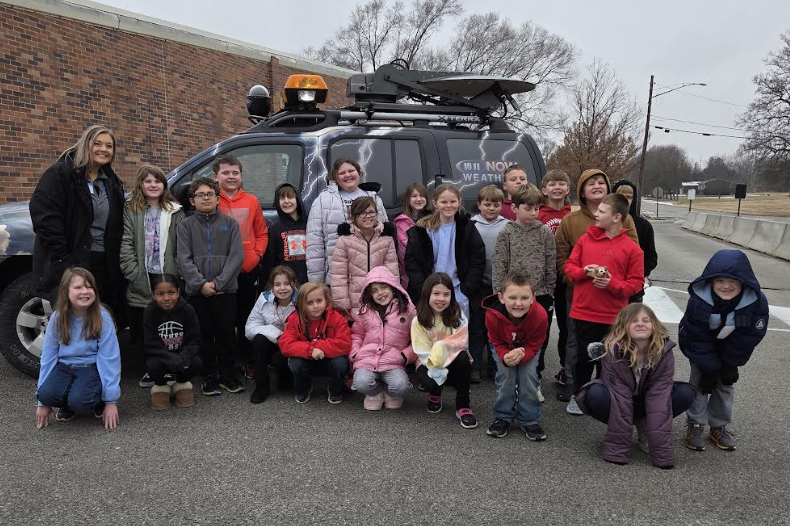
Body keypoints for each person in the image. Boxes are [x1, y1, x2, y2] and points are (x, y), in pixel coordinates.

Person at [555, 168, 640, 409]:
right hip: (583, 310)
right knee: (582, 357)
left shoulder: (631, 248)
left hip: (614, 314)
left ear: (616, 217)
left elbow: (635, 282)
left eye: (602, 211)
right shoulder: (584, 239)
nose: (596, 214)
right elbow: (569, 266)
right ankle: (580, 395)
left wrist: (612, 283)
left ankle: (605, 396)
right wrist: (583, 272)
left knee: (610, 358)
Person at [576, 304, 696, 469]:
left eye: (646, 320)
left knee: (685, 392)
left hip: (648, 402)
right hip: (620, 401)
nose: (640, 323)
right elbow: (620, 395)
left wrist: (662, 455)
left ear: (654, 325)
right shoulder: (612, 350)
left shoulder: (664, 351)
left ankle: (645, 426)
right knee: (595, 393)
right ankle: (623, 433)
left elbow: (659, 395)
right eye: (634, 321)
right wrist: (617, 450)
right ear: (623, 326)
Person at [30, 125, 126, 321]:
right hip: (70, 262)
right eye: (97, 143)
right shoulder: (61, 174)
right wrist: (66, 264)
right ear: (85, 144)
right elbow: (45, 218)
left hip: (103, 264)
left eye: (109, 146)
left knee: (99, 320)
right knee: (73, 323)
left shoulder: (111, 182)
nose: (104, 149)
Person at [679, 249, 768, 452]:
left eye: (733, 281)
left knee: (725, 385)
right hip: (701, 345)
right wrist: (709, 366)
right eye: (720, 280)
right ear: (711, 281)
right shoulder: (699, 299)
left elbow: (749, 335)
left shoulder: (756, 301)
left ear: (744, 282)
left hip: (731, 346)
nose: (726, 286)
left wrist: (730, 364)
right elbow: (695, 334)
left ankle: (718, 425)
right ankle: (695, 424)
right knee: (700, 382)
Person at [177, 178, 244, 397]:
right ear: (192, 200)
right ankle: (209, 376)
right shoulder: (185, 226)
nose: (205, 198)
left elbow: (236, 257)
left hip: (225, 291)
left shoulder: (231, 224)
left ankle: (227, 375)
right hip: (197, 293)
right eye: (200, 195)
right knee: (204, 335)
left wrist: (217, 283)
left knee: (226, 334)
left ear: (217, 198)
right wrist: (200, 284)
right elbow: (184, 259)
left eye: (210, 194)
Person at [119, 165, 185, 389]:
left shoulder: (176, 210)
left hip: (168, 275)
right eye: (148, 181)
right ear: (141, 185)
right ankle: (150, 368)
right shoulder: (131, 209)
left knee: (169, 326)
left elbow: (181, 245)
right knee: (146, 327)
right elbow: (126, 241)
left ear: (164, 185)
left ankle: (171, 368)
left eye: (158, 181)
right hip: (142, 276)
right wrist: (133, 272)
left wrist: (177, 273)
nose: (153, 185)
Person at [492, 183, 556, 401]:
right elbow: (499, 265)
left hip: (539, 295)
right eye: (528, 208)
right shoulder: (506, 232)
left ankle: (534, 379)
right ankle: (512, 379)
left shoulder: (545, 232)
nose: (533, 213)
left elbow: (550, 262)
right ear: (515, 208)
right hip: (513, 298)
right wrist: (499, 295)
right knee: (512, 338)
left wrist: (550, 290)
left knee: (539, 340)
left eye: (536, 208)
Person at [35, 268, 120, 429]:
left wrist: (111, 401)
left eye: (89, 287)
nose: (85, 291)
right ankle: (67, 405)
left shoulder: (102, 317)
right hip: (65, 367)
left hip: (91, 367)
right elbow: (48, 357)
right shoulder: (57, 317)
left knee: (80, 401)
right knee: (46, 394)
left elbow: (110, 358)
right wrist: (42, 402)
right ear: (66, 291)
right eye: (78, 287)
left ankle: (98, 401)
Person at [214, 155, 268, 379]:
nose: (231, 176)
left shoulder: (252, 201)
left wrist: (255, 257)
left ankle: (248, 360)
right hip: (221, 273)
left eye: (235, 172)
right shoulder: (211, 200)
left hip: (247, 271)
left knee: (246, 318)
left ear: (241, 176)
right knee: (224, 320)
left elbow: (262, 233)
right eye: (225, 172)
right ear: (215, 176)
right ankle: (226, 364)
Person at [483, 272, 549, 441]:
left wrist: (524, 354)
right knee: (506, 377)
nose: (518, 303)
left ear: (533, 298)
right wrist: (505, 357)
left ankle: (530, 419)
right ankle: (503, 417)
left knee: (528, 376)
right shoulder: (492, 315)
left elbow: (535, 344)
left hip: (528, 347)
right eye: (512, 297)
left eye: (524, 298)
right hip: (503, 347)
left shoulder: (540, 316)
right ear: (501, 297)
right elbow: (496, 341)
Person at [404, 184, 486, 319]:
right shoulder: (422, 230)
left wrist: (466, 290)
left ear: (459, 202)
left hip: (458, 293)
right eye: (444, 202)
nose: (449, 205)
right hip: (430, 294)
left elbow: (477, 260)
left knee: (456, 335)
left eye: (453, 201)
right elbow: (412, 263)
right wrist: (423, 291)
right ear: (435, 203)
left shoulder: (467, 228)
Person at [411, 273, 477, 429]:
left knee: (462, 358)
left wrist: (441, 347)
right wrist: (438, 373)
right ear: (427, 294)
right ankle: (435, 392)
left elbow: (461, 342)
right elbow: (421, 349)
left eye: (446, 294)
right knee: (428, 383)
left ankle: (463, 405)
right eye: (436, 293)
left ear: (451, 296)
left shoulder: (457, 314)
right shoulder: (418, 320)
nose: (441, 298)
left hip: (453, 359)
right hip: (429, 362)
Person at [306, 158, 388, 283]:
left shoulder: (374, 198)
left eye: (351, 171)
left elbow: (385, 238)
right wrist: (316, 283)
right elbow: (314, 244)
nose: (348, 175)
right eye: (342, 173)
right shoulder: (323, 201)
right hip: (338, 275)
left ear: (359, 174)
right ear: (335, 177)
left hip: (370, 273)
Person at [350, 266, 417, 410]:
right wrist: (355, 353)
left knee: (400, 386)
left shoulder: (407, 311)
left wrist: (406, 356)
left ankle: (390, 393)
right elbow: (357, 334)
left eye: (383, 287)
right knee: (361, 382)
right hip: (367, 360)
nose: (380, 293)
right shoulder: (365, 311)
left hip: (394, 362)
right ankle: (375, 393)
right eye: (374, 290)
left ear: (393, 287)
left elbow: (418, 339)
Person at [279, 283, 352, 404]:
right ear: (302, 304)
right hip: (306, 360)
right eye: (309, 303)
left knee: (341, 363)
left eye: (319, 300)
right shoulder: (294, 319)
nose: (316, 306)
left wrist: (316, 346)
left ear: (326, 300)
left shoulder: (337, 318)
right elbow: (285, 344)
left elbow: (345, 343)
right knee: (295, 363)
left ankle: (335, 389)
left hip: (329, 360)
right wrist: (310, 350)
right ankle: (304, 388)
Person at [330, 196, 398, 316]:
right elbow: (338, 276)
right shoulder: (344, 240)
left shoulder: (386, 239)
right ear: (354, 216)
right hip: (355, 303)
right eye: (362, 213)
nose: (367, 216)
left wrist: (393, 297)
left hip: (381, 301)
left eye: (371, 212)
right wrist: (343, 305)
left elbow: (392, 273)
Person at [143, 273, 202, 411]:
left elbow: (194, 339)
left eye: (171, 292)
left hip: (182, 357)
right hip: (161, 357)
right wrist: (171, 358)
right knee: (151, 364)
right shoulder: (150, 311)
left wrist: (183, 358)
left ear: (178, 292)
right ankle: (161, 386)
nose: (166, 298)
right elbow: (151, 344)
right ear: (153, 295)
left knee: (197, 363)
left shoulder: (187, 309)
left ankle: (181, 384)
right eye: (160, 294)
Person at [470, 185, 509, 382]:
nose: (491, 208)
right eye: (487, 204)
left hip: (500, 287)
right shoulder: (472, 224)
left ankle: (495, 366)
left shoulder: (507, 226)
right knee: (477, 327)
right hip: (478, 285)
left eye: (496, 204)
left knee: (497, 328)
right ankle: (475, 365)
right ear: (479, 205)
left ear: (502, 205)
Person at [538, 169, 573, 388]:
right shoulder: (538, 214)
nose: (557, 188)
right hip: (543, 279)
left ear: (568, 189)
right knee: (541, 328)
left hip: (567, 280)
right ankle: (536, 372)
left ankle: (565, 369)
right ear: (544, 190)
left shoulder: (574, 215)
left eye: (562, 184)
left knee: (567, 327)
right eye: (552, 184)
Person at [244, 265, 298, 404]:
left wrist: (285, 339)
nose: (282, 288)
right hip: (273, 341)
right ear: (271, 286)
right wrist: (277, 335)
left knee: (282, 366)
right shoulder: (264, 299)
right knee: (259, 341)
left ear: (294, 283)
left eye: (287, 283)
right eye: (277, 284)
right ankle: (261, 387)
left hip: (294, 343)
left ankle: (287, 377)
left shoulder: (302, 300)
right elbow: (250, 328)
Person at [612, 180, 658, 303]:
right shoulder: (604, 221)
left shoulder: (644, 226)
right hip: (608, 288)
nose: (625, 200)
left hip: (633, 290)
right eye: (620, 196)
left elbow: (651, 256)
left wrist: (638, 274)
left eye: (629, 197)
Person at [261, 183, 308, 286]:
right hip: (286, 285)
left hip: (308, 282)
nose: (286, 201)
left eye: (290, 197)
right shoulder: (275, 229)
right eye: (282, 198)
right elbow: (270, 260)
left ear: (297, 199)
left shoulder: (309, 224)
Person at [393, 182, 430, 289]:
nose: (419, 199)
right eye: (414, 196)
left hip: (432, 273)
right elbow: (404, 251)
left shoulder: (434, 220)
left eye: (422, 195)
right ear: (408, 200)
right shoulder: (400, 223)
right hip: (410, 276)